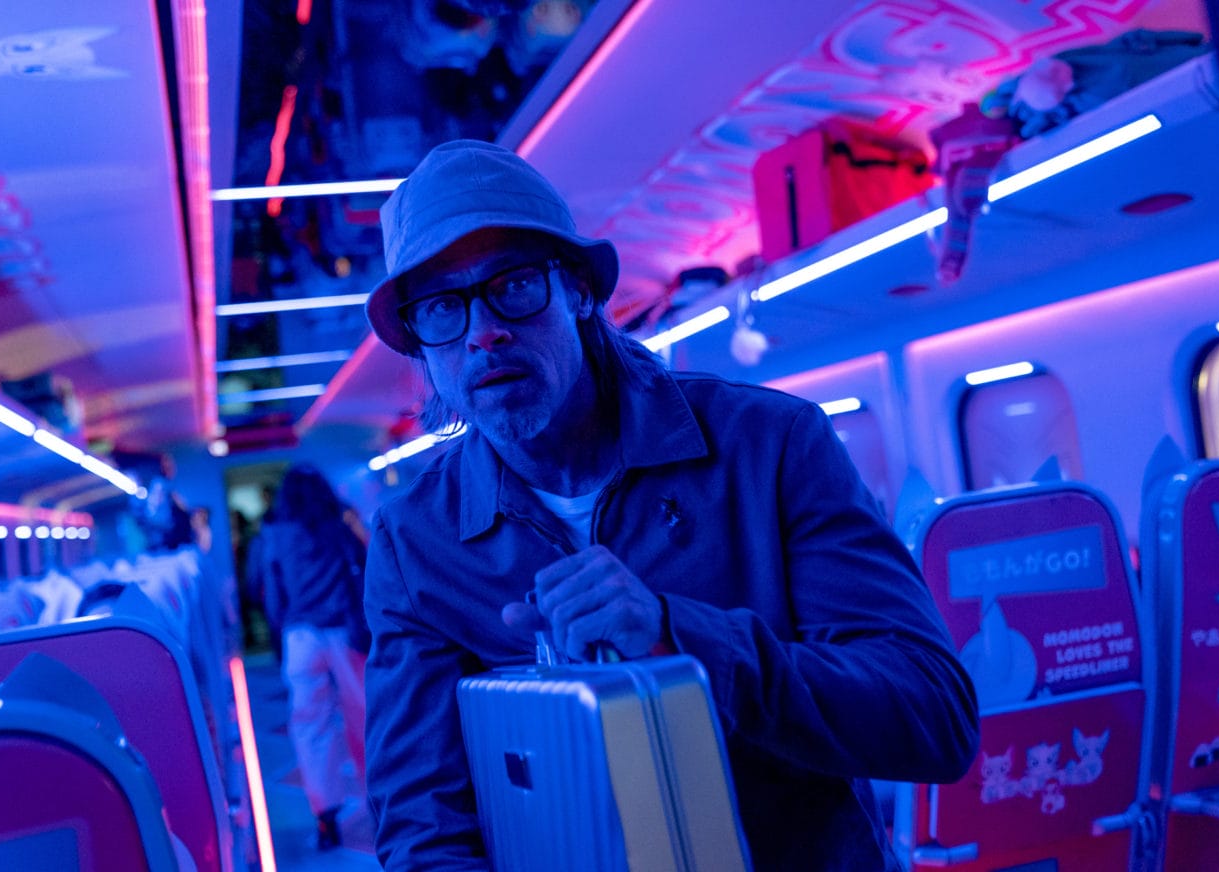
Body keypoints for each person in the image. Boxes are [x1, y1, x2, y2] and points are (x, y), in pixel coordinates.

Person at [361, 139, 979, 871]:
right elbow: (424, 829)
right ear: (421, 349)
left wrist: (678, 638)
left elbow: (933, 715)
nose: (483, 331)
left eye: (515, 284)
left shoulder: (768, 446)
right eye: (440, 309)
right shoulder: (416, 545)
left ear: (581, 293)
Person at [261, 464, 369, 850]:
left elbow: (271, 593)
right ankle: (379, 797)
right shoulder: (336, 527)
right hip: (344, 632)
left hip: (299, 637)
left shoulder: (274, 536)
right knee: (362, 718)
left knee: (310, 726)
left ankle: (325, 816)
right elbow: (363, 568)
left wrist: (279, 639)